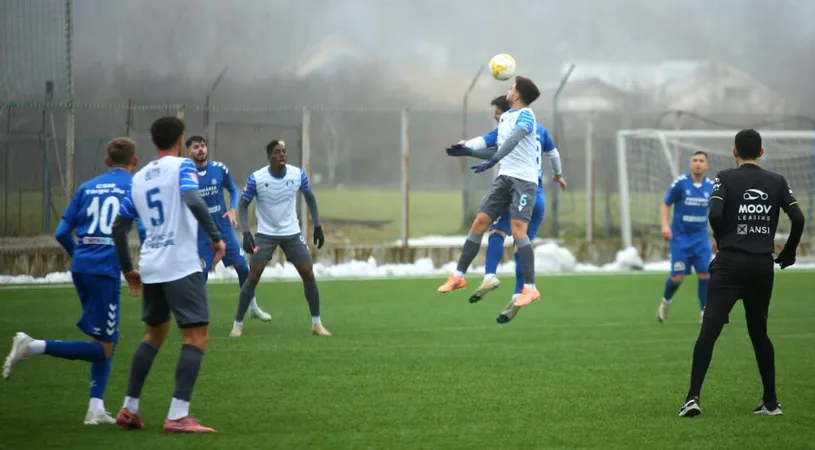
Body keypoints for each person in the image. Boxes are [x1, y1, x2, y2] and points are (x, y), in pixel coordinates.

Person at [3, 138, 139, 425]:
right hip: (105, 270)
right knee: (103, 348)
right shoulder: (134, 185)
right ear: (134, 161)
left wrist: (81, 255)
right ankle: (32, 345)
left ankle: (95, 408)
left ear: (106, 161)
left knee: (105, 338)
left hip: (82, 267)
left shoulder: (87, 187)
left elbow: (62, 231)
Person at [678, 129, 805, 418]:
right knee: (759, 333)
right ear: (761, 153)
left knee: (709, 331)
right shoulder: (777, 181)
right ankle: (771, 402)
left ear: (734, 152)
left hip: (730, 264)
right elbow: (798, 218)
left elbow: (714, 214)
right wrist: (789, 251)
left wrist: (723, 239)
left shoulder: (724, 177)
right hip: (761, 266)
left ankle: (692, 398)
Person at [111, 116, 226, 433]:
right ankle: (177, 415)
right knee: (196, 335)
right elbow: (191, 198)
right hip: (180, 264)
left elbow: (119, 227)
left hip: (151, 265)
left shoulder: (139, 178)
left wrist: (128, 269)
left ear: (153, 141)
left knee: (154, 333)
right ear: (180, 140)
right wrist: (216, 236)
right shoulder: (183, 166)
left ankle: (129, 407)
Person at [446, 94, 567, 323]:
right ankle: (519, 293)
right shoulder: (539, 129)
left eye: (497, 113)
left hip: (519, 191)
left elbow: (488, 145)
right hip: (537, 194)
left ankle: (490, 275)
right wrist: (558, 175)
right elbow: (553, 153)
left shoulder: (510, 127)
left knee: (497, 231)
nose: (495, 117)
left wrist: (467, 148)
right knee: (521, 245)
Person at [437, 76, 543, 308]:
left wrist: (494, 159)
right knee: (480, 222)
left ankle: (530, 288)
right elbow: (492, 144)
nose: (508, 90)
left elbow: (514, 140)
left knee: (518, 230)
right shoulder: (505, 117)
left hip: (524, 181)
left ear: (517, 95)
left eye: (511, 88)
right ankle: (458, 276)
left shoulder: (526, 115)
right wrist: (467, 150)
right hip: (504, 178)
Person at [233, 139, 330, 337]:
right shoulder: (257, 178)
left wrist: (317, 226)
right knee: (253, 275)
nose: (282, 155)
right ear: (269, 156)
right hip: (266, 234)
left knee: (308, 272)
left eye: (284, 152)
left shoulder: (298, 174)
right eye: (277, 152)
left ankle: (316, 324)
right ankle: (237, 324)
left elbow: (310, 198)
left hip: (291, 232)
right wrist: (246, 233)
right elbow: (242, 205)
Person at [185, 135, 272, 322]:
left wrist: (232, 208)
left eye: (202, 146)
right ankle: (196, 316)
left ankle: (253, 307)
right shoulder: (186, 175)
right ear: (188, 151)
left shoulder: (219, 169)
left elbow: (233, 189)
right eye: (196, 147)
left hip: (224, 229)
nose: (200, 149)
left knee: (243, 268)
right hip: (202, 234)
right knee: (200, 275)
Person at [657, 151, 716, 324]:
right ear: (690, 164)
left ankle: (704, 312)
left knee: (705, 273)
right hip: (680, 238)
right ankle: (666, 301)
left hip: (700, 238)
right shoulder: (681, 183)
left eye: (701, 161)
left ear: (706, 165)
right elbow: (666, 204)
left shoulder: (711, 186)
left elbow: (718, 210)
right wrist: (665, 226)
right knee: (678, 277)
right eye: (695, 160)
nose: (698, 163)